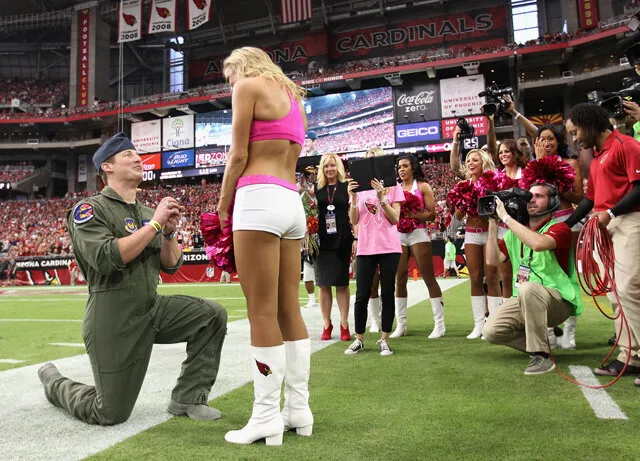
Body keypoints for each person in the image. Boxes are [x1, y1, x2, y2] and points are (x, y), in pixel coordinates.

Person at [37, 132, 228, 425]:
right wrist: (155, 224)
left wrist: (168, 232)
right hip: (113, 317)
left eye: (138, 154)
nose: (137, 158)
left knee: (211, 315)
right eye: (127, 155)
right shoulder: (89, 210)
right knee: (109, 412)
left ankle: (188, 397)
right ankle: (55, 383)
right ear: (107, 167)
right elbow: (106, 258)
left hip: (151, 308)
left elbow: (171, 264)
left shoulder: (148, 212)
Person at [219, 47, 313, 445]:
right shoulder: (294, 95)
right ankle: (299, 411)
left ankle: (265, 418)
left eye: (229, 76)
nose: (230, 84)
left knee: (260, 311)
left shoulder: (247, 85)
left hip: (257, 199)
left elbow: (238, 154)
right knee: (289, 309)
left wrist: (223, 205)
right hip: (292, 201)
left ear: (241, 66)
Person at [564, 103, 640, 385]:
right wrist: (567, 223)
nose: (575, 139)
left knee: (629, 289)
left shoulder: (626, 145)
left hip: (629, 220)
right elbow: (590, 200)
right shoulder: (596, 158)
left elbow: (639, 186)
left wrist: (611, 213)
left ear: (588, 123)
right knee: (614, 295)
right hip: (605, 225)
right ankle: (629, 357)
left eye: (576, 132)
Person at [483, 183, 583, 375]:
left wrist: (506, 217)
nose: (531, 199)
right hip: (525, 298)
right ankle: (538, 343)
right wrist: (493, 224)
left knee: (528, 288)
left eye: (539, 196)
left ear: (553, 202)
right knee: (491, 331)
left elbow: (538, 244)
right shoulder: (515, 233)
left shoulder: (560, 228)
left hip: (559, 300)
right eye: (530, 196)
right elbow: (492, 260)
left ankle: (541, 355)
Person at [346, 146, 404, 356]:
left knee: (388, 292)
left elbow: (395, 219)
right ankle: (359, 338)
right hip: (365, 246)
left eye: (374, 160)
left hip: (389, 246)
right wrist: (352, 199)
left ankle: (384, 338)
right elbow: (354, 221)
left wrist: (381, 198)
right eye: (367, 160)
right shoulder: (359, 189)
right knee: (362, 294)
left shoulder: (394, 186)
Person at [451, 149, 502, 339]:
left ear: (484, 162)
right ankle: (479, 324)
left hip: (490, 231)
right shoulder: (463, 184)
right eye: (469, 160)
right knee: (475, 277)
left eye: (475, 160)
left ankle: (495, 322)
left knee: (492, 276)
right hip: (472, 233)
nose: (471, 163)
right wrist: (463, 203)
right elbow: (457, 215)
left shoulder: (493, 182)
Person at [392, 154, 445, 339]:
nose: (402, 169)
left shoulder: (422, 186)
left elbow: (432, 215)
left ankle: (439, 324)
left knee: (428, 277)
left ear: (413, 168)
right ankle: (401, 325)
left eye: (405, 166)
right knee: (399, 278)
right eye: (399, 167)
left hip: (418, 232)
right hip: (398, 233)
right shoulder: (395, 188)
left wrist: (413, 214)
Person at [308, 153, 354, 341]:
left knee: (342, 284)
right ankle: (327, 324)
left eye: (332, 166)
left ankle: (344, 323)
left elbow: (354, 213)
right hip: (322, 242)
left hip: (343, 239)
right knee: (324, 284)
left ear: (338, 167)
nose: (329, 169)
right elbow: (310, 214)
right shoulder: (315, 189)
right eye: (326, 166)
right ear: (321, 169)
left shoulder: (347, 187)